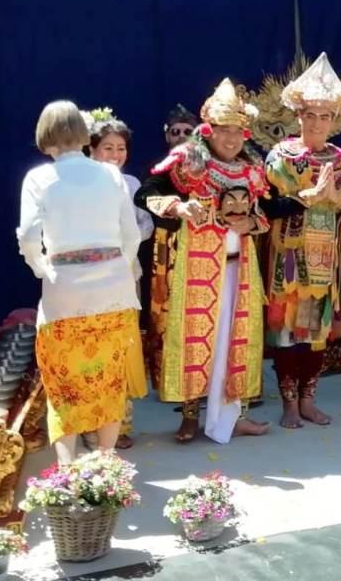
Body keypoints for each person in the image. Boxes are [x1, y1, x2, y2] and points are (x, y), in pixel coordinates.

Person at [136, 79, 295, 443]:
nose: (231, 138)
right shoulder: (189, 160)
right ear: (209, 130)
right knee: (197, 340)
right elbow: (147, 193)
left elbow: (268, 211)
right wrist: (180, 206)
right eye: (224, 130)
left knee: (235, 341)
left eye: (238, 131)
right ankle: (190, 416)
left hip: (240, 269)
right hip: (197, 267)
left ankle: (233, 415)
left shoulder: (251, 167)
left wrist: (252, 222)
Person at [17, 101, 145, 463]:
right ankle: (107, 463)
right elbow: (131, 236)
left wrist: (42, 267)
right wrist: (117, 267)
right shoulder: (111, 175)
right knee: (109, 379)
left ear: (45, 136)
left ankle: (67, 467)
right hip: (114, 295)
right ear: (82, 134)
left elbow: (28, 235)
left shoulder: (39, 178)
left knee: (64, 381)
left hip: (65, 294)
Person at [265, 54, 341, 429]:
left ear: (335, 120)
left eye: (325, 116)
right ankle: (289, 403)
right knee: (287, 331)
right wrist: (304, 197)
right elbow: (267, 208)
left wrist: (339, 198)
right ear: (298, 117)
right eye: (311, 115)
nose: (318, 122)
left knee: (316, 333)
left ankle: (309, 399)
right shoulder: (281, 157)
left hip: (328, 258)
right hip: (290, 259)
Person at [86, 107, 155, 450]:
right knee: (92, 346)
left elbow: (147, 224)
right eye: (108, 148)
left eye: (121, 148)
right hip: (89, 277)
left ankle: (120, 423)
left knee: (123, 345)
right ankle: (89, 422)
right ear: (91, 150)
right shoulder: (79, 186)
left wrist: (125, 240)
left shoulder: (131, 184)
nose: (115, 155)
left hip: (127, 272)